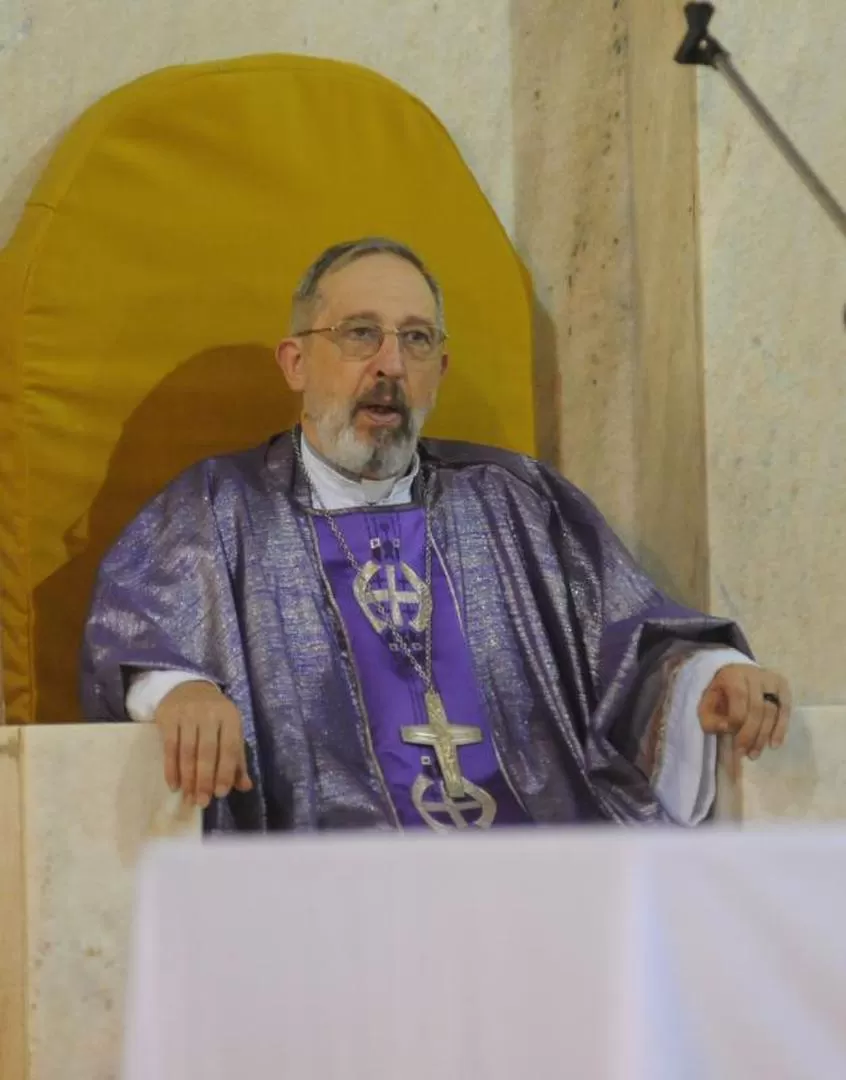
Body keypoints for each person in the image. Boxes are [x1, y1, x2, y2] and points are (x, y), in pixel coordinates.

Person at [81, 237, 791, 832]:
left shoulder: (519, 501)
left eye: (415, 340)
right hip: (329, 892)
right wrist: (183, 694)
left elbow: (632, 642)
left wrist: (708, 678)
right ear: (296, 363)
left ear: (439, 372)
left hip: (542, 871)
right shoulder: (217, 507)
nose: (390, 365)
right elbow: (139, 638)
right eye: (360, 333)